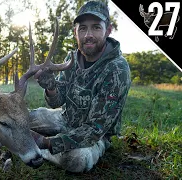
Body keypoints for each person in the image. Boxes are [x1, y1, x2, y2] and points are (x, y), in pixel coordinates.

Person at [30, 0, 131, 173]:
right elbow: (56, 102)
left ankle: (37, 151)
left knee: (76, 160)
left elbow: (95, 129)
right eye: (82, 28)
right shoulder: (72, 60)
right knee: (24, 118)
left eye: (96, 27)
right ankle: (31, 143)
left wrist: (48, 143)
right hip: (65, 118)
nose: (88, 35)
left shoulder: (117, 69)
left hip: (95, 136)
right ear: (75, 32)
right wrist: (51, 87)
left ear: (108, 30)